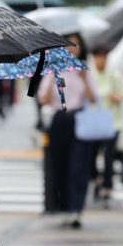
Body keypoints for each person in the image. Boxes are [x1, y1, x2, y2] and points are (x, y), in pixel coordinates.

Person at [37, 34, 97, 228]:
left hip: (79, 119)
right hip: (59, 119)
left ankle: (76, 208)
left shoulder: (84, 71)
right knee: (59, 165)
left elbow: (94, 98)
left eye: (76, 45)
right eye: (69, 45)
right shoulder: (55, 69)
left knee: (78, 166)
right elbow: (43, 99)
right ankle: (63, 206)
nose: (73, 49)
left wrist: (84, 78)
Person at [89, 44, 123, 208]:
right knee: (91, 156)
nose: (101, 61)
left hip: (112, 123)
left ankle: (108, 187)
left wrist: (113, 96)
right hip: (94, 121)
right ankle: (96, 179)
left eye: (103, 57)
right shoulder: (89, 75)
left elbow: (122, 96)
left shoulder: (113, 75)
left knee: (109, 157)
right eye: (98, 57)